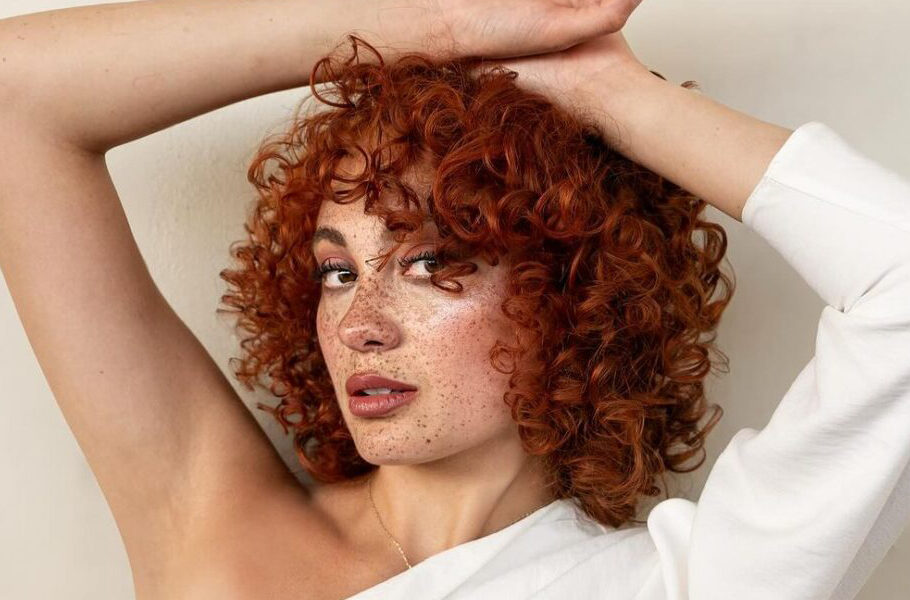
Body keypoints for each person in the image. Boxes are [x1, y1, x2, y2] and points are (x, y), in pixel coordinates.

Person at [0, 1, 907, 600]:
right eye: (338, 270)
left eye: (434, 263)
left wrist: (607, 93)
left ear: (573, 294)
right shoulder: (211, 519)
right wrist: (436, 22)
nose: (360, 326)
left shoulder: (683, 585)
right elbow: (15, 95)